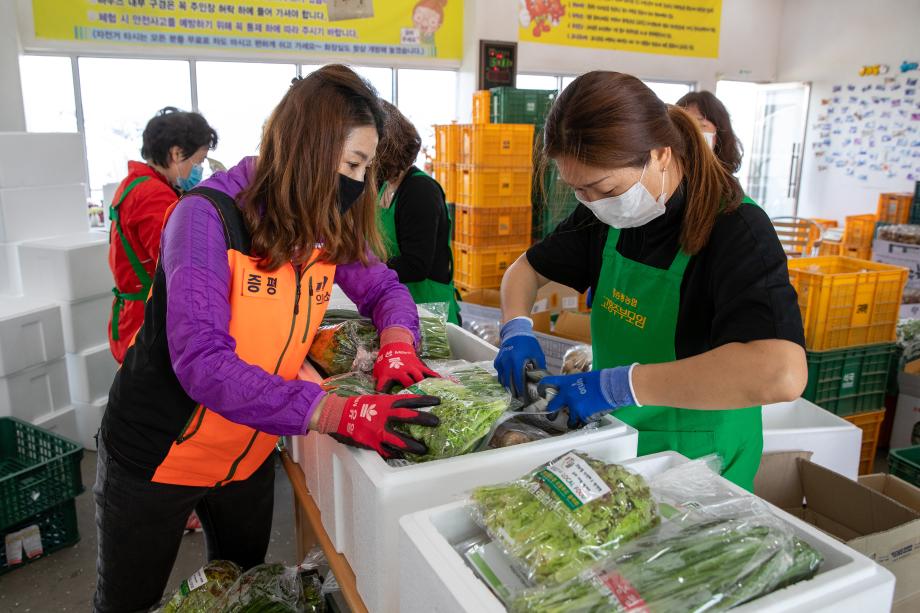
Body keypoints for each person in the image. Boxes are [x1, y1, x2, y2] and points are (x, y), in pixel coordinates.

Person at [93, 65, 441, 613]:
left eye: (368, 168)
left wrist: (398, 340)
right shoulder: (206, 219)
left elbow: (384, 289)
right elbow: (202, 361)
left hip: (249, 451)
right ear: (308, 147)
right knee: (126, 604)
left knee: (243, 593)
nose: (358, 182)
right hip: (159, 457)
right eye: (353, 163)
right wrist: (333, 413)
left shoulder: (326, 221)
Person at [495, 72, 807, 492]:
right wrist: (516, 327)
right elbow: (526, 270)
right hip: (616, 436)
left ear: (660, 154)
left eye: (603, 187)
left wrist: (618, 383)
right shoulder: (606, 212)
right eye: (578, 191)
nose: (591, 203)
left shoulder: (737, 227)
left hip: (698, 457)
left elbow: (781, 373)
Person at [107, 107, 218, 364]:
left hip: (130, 317)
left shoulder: (134, 184)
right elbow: (175, 267)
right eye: (199, 161)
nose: (199, 169)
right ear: (177, 153)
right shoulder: (154, 196)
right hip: (146, 322)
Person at [376, 101, 460, 324]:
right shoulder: (384, 186)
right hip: (397, 305)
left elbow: (416, 265)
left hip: (428, 314)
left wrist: (366, 269)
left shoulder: (419, 192)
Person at [676, 90, 743, 174]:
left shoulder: (728, 184)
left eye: (700, 124)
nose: (690, 132)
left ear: (719, 131)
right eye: (684, 125)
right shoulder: (667, 178)